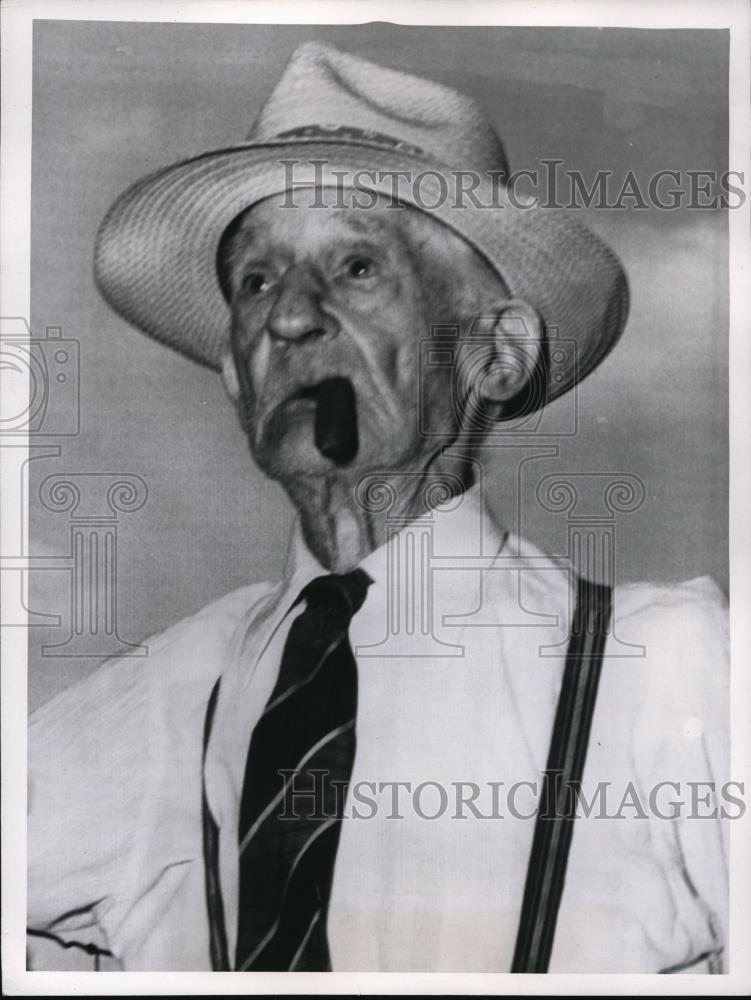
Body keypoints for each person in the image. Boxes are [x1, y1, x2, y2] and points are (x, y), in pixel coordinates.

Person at [27, 41, 729, 973]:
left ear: (494, 353)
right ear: (236, 378)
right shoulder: (159, 698)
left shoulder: (667, 673)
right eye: (256, 281)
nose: (287, 319)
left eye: (357, 267)